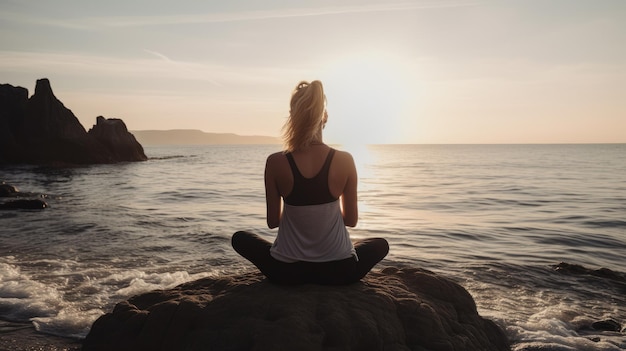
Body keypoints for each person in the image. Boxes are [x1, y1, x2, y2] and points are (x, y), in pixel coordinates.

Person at [232, 80, 388, 285]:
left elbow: (273, 222)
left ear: (293, 117)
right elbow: (351, 220)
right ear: (325, 117)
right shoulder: (345, 160)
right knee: (380, 244)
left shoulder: (276, 161)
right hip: (340, 272)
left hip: (287, 273)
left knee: (239, 238)